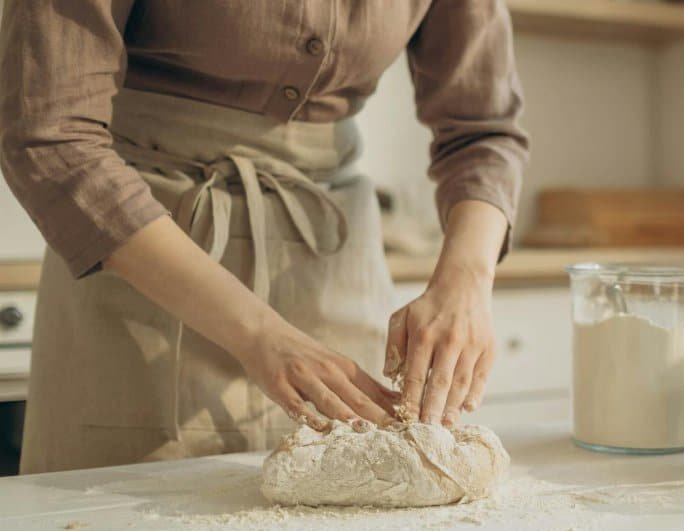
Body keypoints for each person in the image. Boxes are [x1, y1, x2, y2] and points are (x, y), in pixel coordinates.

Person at [0, 1, 529, 473]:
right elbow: (51, 133)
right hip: (144, 265)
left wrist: (467, 281)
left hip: (329, 264)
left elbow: (484, 132)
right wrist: (256, 333)